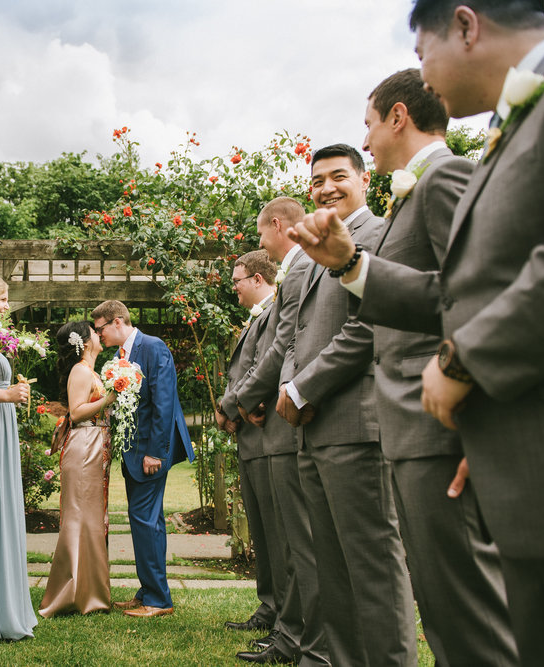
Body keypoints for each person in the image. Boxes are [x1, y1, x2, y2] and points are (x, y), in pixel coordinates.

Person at [290, 2, 544, 663]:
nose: (423, 74)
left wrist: (461, 365)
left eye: (421, 51)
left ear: (466, 24)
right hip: (509, 454)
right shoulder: (511, 130)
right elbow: (457, 289)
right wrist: (351, 264)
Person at [359, 68, 517, 666]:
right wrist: (354, 268)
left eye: (369, 125)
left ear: (398, 117)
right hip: (414, 428)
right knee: (444, 609)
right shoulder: (408, 194)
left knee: (469, 612)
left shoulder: (446, 175)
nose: (367, 140)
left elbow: (475, 291)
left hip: (442, 426)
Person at [280, 144, 416, 666]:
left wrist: (303, 387)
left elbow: (369, 325)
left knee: (374, 567)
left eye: (339, 176)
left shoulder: (379, 235)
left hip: (357, 423)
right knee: (332, 568)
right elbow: (295, 332)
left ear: (363, 180)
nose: (326, 188)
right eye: (317, 181)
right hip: (311, 429)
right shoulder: (317, 244)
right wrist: (290, 384)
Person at [221, 199, 329, 667]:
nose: (261, 242)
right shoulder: (293, 271)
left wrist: (239, 402)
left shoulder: (302, 267)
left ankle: (297, 633)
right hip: (262, 428)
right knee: (275, 537)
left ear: (277, 225)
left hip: (280, 429)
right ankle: (283, 620)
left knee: (292, 540)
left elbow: (283, 347)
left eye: (262, 233)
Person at [91, 299, 194, 618]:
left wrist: (154, 452)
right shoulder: (120, 356)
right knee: (146, 523)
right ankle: (149, 589)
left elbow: (164, 403)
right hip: (134, 452)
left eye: (101, 329)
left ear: (117, 321)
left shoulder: (153, 347)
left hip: (150, 452)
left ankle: (159, 601)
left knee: (145, 522)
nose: (99, 335)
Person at [213, 250, 290, 663]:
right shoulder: (258, 314)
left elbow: (264, 366)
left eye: (238, 279)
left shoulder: (276, 308)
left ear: (258, 278)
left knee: (278, 533)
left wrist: (234, 406)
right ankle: (270, 605)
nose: (234, 285)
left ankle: (285, 620)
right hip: (251, 434)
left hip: (266, 431)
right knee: (262, 529)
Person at [39, 320, 117, 617]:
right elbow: (76, 411)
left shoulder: (91, 371)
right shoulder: (80, 371)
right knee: (79, 516)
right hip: (84, 446)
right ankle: (68, 592)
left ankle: (90, 590)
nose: (100, 334)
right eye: (95, 332)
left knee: (93, 518)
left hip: (96, 447)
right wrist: (109, 398)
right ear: (84, 343)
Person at [0, 274, 38, 640]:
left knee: (0, 508)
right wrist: (8, 395)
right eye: (2, 299)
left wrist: (13, 394)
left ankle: (2, 599)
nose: (6, 306)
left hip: (1, 424)